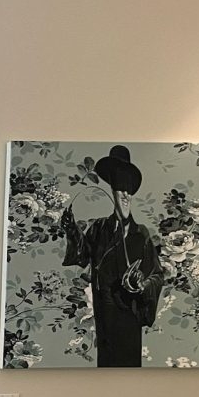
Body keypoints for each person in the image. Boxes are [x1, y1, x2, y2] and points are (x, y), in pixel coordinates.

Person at [60, 145, 164, 367]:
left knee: (128, 368)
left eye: (129, 190)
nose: (125, 195)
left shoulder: (141, 234)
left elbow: (157, 275)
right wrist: (71, 230)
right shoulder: (99, 229)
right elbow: (82, 256)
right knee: (106, 368)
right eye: (120, 189)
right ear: (113, 191)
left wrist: (142, 286)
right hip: (104, 314)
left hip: (129, 314)